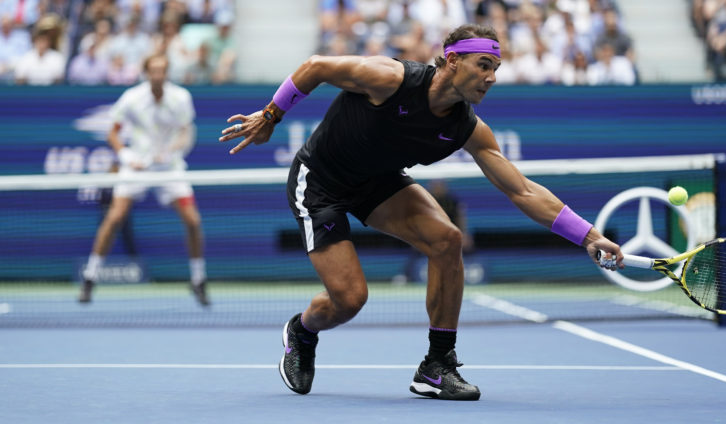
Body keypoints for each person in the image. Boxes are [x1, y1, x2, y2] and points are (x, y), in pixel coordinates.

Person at [219, 24, 624, 400]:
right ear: (453, 60)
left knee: (447, 240)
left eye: (496, 69)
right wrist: (270, 116)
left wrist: (589, 236)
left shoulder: (468, 128)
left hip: (378, 183)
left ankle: (436, 365)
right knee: (350, 299)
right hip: (321, 183)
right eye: (484, 65)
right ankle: (303, 331)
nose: (491, 77)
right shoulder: (391, 79)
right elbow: (317, 67)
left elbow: (523, 190)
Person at [79, 53, 209, 306]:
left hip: (169, 168)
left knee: (193, 221)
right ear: (147, 73)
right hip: (136, 167)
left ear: (167, 73)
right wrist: (126, 156)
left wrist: (172, 151)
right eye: (154, 71)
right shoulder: (132, 98)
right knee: (114, 217)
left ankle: (198, 279)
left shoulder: (181, 97)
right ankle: (90, 277)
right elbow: (113, 133)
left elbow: (185, 133)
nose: (158, 75)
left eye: (162, 71)